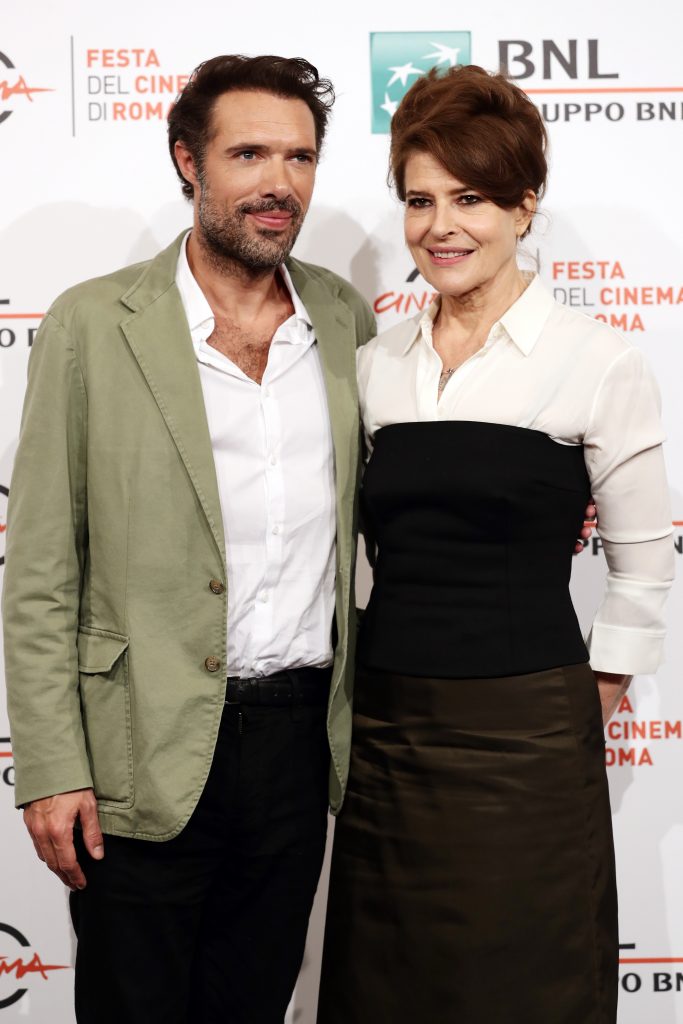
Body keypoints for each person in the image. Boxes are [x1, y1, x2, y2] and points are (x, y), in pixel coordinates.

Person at [1, 54, 375, 1024]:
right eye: (247, 152)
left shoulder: (339, 318)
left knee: (252, 1004)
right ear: (187, 163)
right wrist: (51, 765)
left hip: (296, 743)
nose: (277, 182)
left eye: (297, 157)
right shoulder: (94, 323)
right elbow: (39, 568)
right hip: (139, 742)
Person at [317, 65, 674, 1024]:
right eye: (420, 200)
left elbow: (644, 571)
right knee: (383, 981)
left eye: (470, 198)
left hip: (529, 737)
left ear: (523, 206)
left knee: (523, 981)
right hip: (388, 731)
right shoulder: (372, 365)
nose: (442, 226)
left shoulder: (596, 359)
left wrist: (570, 714)